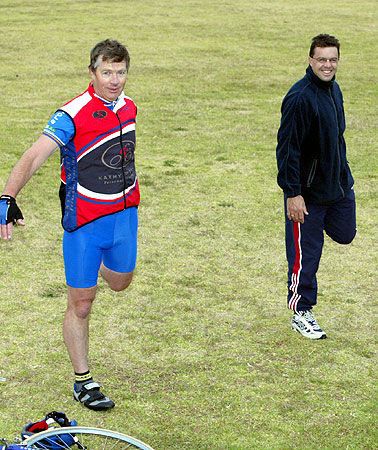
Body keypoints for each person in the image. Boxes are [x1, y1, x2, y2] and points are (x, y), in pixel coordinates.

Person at [0, 39, 140, 410]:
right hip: (84, 224)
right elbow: (34, 155)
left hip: (125, 217)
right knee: (81, 303)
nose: (114, 79)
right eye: (106, 72)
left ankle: (105, 273)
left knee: (122, 283)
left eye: (120, 72)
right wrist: (7, 195)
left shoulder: (129, 108)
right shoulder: (72, 114)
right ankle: (84, 381)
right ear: (92, 72)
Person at [276, 34, 356, 339]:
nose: (327, 64)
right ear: (310, 61)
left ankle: (311, 232)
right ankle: (301, 311)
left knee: (346, 233)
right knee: (306, 256)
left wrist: (343, 174)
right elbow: (288, 150)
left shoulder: (334, 90)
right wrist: (293, 194)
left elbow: (337, 138)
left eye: (332, 59)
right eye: (321, 59)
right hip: (307, 197)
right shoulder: (299, 97)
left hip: (337, 187)